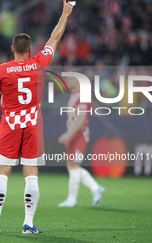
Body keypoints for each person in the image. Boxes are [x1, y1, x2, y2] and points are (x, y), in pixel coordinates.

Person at [0, 0, 74, 234]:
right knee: (31, 175)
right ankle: (29, 224)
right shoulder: (39, 62)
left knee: (2, 172)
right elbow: (55, 37)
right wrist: (64, 14)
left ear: (12, 49)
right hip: (33, 124)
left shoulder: (1, 70)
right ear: (30, 49)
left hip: (9, 124)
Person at [58, 76, 105, 207]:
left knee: (73, 166)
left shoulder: (83, 95)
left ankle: (72, 199)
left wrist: (68, 134)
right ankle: (95, 188)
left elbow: (81, 119)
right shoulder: (74, 95)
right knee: (72, 166)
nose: (67, 81)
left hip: (79, 135)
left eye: (70, 78)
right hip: (74, 135)